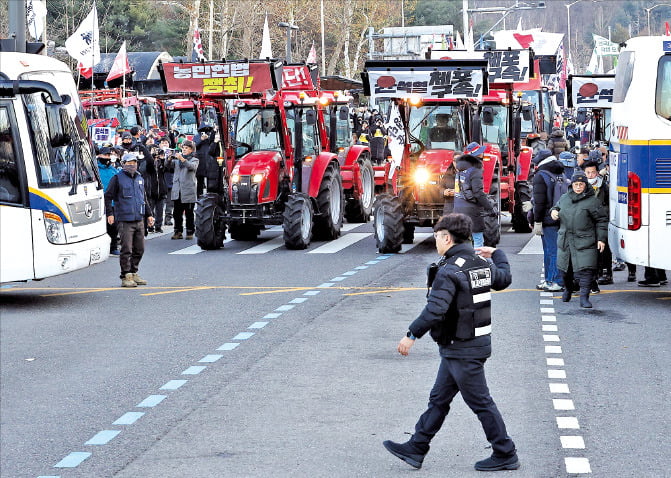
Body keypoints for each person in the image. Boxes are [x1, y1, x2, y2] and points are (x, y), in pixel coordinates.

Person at [383, 213, 518, 472]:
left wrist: (411, 335)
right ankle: (417, 446)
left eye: (436, 237)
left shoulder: (450, 270)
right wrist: (498, 254)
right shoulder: (479, 262)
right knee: (439, 399)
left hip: (463, 347)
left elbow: (436, 309)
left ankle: (505, 451)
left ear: (447, 237)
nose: (435, 242)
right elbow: (503, 279)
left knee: (480, 402)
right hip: (468, 344)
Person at [550, 171, 608, 308]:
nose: (578, 187)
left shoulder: (593, 201)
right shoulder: (565, 198)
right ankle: (568, 289)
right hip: (566, 241)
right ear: (572, 185)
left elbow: (601, 220)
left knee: (586, 271)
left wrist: (601, 239)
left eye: (581, 184)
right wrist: (553, 211)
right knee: (565, 270)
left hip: (585, 241)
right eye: (575, 184)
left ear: (585, 185)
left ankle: (584, 297)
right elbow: (556, 207)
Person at [104, 153, 154, 288]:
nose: (131, 165)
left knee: (140, 248)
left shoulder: (139, 178)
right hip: (124, 219)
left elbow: (143, 198)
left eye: (134, 162)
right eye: (128, 163)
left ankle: (134, 272)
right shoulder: (117, 178)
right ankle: (125, 275)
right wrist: (110, 213)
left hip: (139, 218)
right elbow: (108, 196)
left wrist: (149, 214)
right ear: (123, 164)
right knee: (126, 249)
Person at [531, 149, 566, 292]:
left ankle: (554, 281)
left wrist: (536, 220)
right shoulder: (560, 173)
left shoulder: (541, 176)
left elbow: (539, 202)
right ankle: (552, 280)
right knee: (556, 250)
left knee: (550, 251)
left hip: (547, 218)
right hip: (559, 216)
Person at [453, 143, 495, 248]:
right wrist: (489, 208)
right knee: (477, 240)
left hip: (458, 208)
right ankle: (477, 263)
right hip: (471, 210)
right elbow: (478, 192)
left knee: (461, 242)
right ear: (477, 155)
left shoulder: (460, 169)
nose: (483, 154)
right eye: (481, 153)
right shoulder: (475, 170)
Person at [582, 160, 612, 287]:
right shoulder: (581, 186)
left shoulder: (603, 186)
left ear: (597, 173)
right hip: (587, 222)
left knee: (604, 247)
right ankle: (595, 272)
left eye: (593, 172)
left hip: (601, 221)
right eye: (587, 173)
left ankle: (606, 272)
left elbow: (609, 203)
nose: (590, 175)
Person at [170, 140, 199, 240]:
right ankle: (178, 231)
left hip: (188, 190)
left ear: (191, 150)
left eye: (186, 148)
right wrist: (168, 158)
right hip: (177, 190)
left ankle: (190, 231)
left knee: (189, 213)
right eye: (183, 148)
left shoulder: (194, 160)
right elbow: (168, 166)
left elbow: (191, 167)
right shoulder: (177, 161)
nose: (184, 150)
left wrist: (182, 159)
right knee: (176, 213)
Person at [97, 146, 120, 255]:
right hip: (98, 200)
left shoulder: (113, 170)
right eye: (105, 155)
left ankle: (113, 246)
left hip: (112, 201)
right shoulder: (95, 169)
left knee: (113, 225)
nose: (107, 157)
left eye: (108, 155)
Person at [194, 122, 215, 197]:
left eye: (208, 129)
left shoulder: (210, 137)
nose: (206, 131)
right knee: (200, 181)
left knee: (210, 181)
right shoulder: (196, 137)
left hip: (209, 161)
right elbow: (194, 146)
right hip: (200, 162)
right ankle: (199, 196)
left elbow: (213, 143)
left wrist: (210, 136)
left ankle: (210, 196)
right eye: (204, 129)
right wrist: (201, 140)